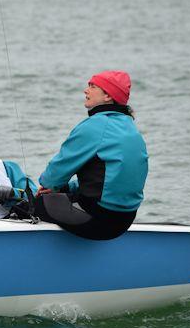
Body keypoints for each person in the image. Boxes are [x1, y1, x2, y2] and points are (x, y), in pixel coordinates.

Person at [36, 70, 148, 240]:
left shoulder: (95, 125)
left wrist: (52, 186)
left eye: (93, 86)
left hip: (98, 221)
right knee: (65, 191)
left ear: (108, 96)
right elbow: (108, 178)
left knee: (33, 204)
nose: (86, 90)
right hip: (125, 220)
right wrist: (67, 187)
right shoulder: (131, 128)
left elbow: (51, 178)